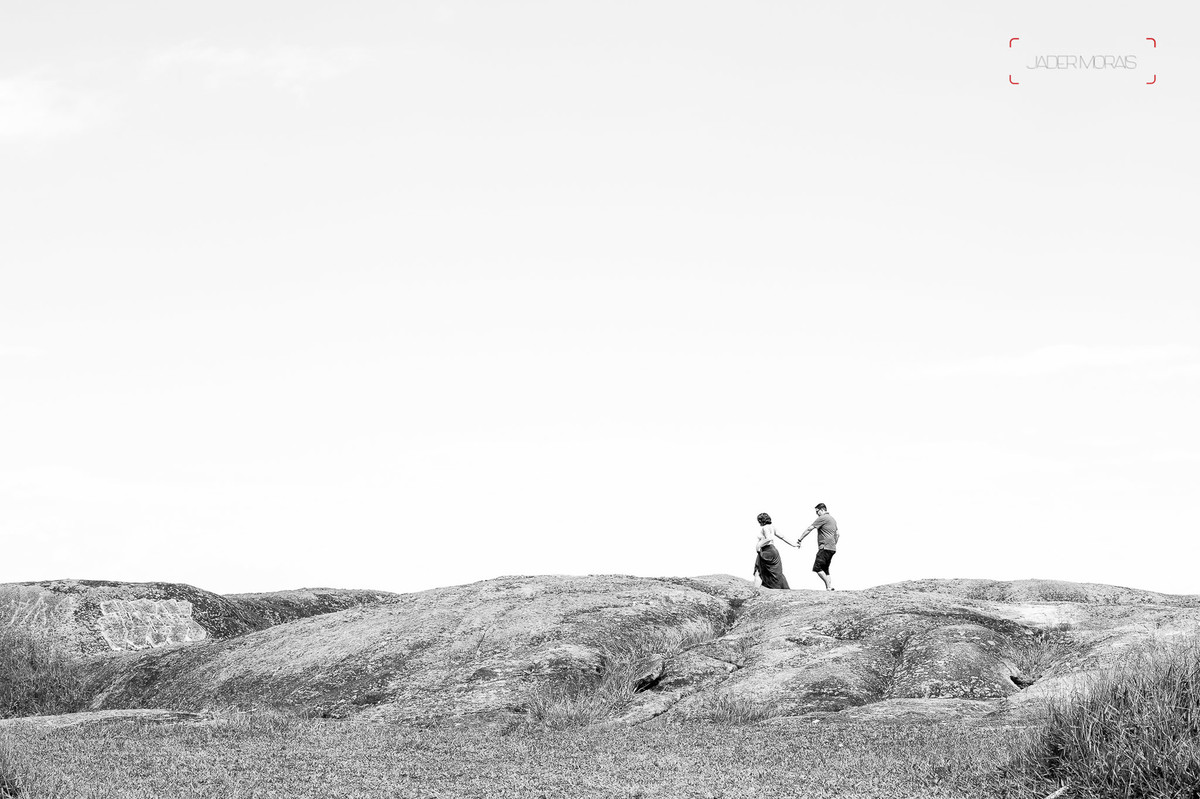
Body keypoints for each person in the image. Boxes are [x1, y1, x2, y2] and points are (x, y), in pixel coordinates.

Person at [796, 503, 838, 590]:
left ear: (822, 510)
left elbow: (809, 529)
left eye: (817, 511)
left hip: (824, 547)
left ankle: (829, 586)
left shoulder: (822, 518)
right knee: (825, 569)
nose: (816, 513)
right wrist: (833, 544)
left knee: (817, 568)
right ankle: (829, 588)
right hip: (832, 548)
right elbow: (838, 534)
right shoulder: (833, 519)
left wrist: (800, 539)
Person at [752, 512, 791, 589]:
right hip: (773, 551)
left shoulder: (765, 527)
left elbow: (769, 538)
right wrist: (793, 544)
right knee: (776, 573)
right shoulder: (772, 527)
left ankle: (755, 592)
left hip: (766, 550)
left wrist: (759, 546)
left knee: (758, 571)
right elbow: (782, 536)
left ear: (761, 520)